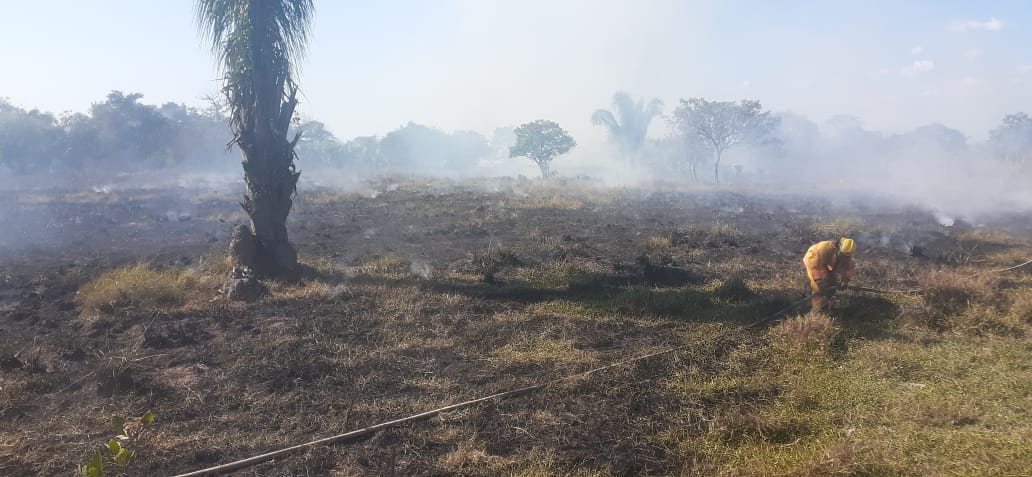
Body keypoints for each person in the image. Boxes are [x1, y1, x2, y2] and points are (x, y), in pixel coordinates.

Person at [803, 237, 855, 310]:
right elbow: (817, 267)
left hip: (826, 262)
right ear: (838, 247)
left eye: (847, 255)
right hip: (813, 260)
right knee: (820, 285)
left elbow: (848, 269)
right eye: (843, 254)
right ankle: (816, 308)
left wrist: (845, 281)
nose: (844, 256)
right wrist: (821, 282)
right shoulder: (824, 249)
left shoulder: (846, 256)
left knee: (832, 283)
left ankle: (825, 303)